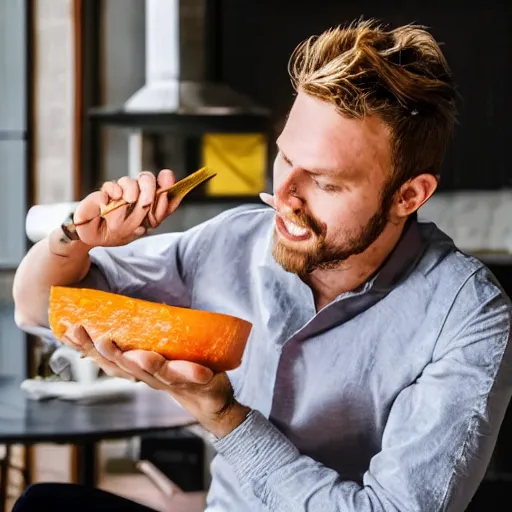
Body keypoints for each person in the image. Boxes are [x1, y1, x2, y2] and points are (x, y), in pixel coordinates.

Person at [12, 18, 512, 512]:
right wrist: (76, 237)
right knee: (44, 505)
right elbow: (39, 310)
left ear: (409, 195)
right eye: (284, 159)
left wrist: (225, 417)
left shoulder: (466, 315)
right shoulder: (236, 241)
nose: (283, 197)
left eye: (325, 182)